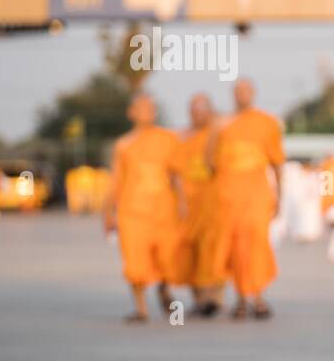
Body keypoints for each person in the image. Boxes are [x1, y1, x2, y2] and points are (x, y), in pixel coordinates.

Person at [206, 79, 286, 320]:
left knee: (257, 243)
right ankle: (242, 299)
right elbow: (209, 161)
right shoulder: (221, 124)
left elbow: (277, 162)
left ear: (253, 93)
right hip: (230, 194)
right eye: (238, 91)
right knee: (236, 246)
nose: (242, 95)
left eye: (246, 91)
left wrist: (279, 195)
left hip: (258, 193)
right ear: (233, 95)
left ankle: (258, 297)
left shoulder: (267, 123)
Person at [102, 93, 183, 323]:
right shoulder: (124, 144)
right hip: (132, 211)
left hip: (163, 208)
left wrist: (183, 203)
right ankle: (141, 309)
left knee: (167, 256)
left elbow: (176, 174)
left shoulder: (168, 139)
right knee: (134, 259)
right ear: (132, 112)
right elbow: (116, 181)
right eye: (142, 107)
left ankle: (164, 287)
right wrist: (107, 213)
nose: (147, 111)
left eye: (150, 108)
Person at [171, 93, 225, 316]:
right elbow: (173, 170)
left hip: (213, 201)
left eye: (202, 108)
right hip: (187, 203)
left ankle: (215, 298)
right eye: (194, 108)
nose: (197, 113)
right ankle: (199, 298)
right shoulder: (181, 137)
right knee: (190, 251)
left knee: (214, 250)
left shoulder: (218, 134)